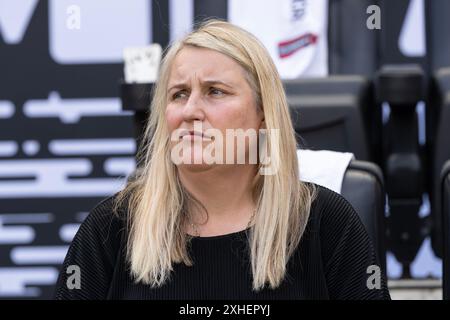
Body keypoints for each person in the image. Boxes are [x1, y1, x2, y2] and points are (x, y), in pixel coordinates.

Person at [54, 19, 390, 300]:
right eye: (179, 94)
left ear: (263, 114)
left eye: (215, 91)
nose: (190, 111)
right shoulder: (110, 230)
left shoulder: (326, 224)